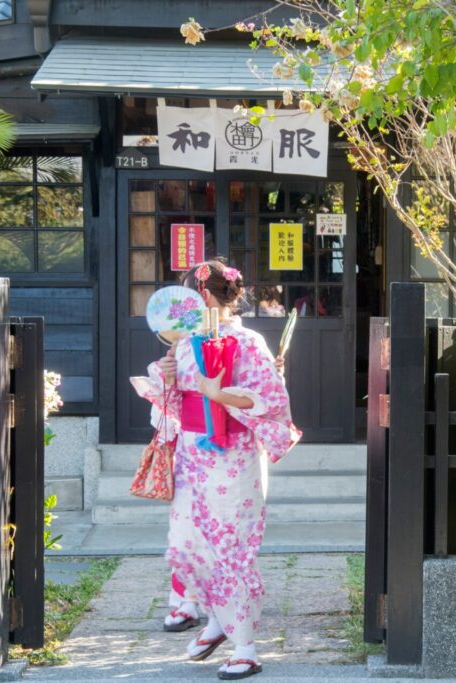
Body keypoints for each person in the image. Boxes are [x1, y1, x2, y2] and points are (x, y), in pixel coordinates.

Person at [133, 259, 300, 680]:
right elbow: (171, 406)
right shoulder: (186, 343)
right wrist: (169, 375)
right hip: (193, 453)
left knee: (230, 546)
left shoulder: (246, 342)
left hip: (233, 457)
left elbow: (270, 399)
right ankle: (217, 621)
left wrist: (217, 392)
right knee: (198, 544)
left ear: (203, 296)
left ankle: (245, 645)